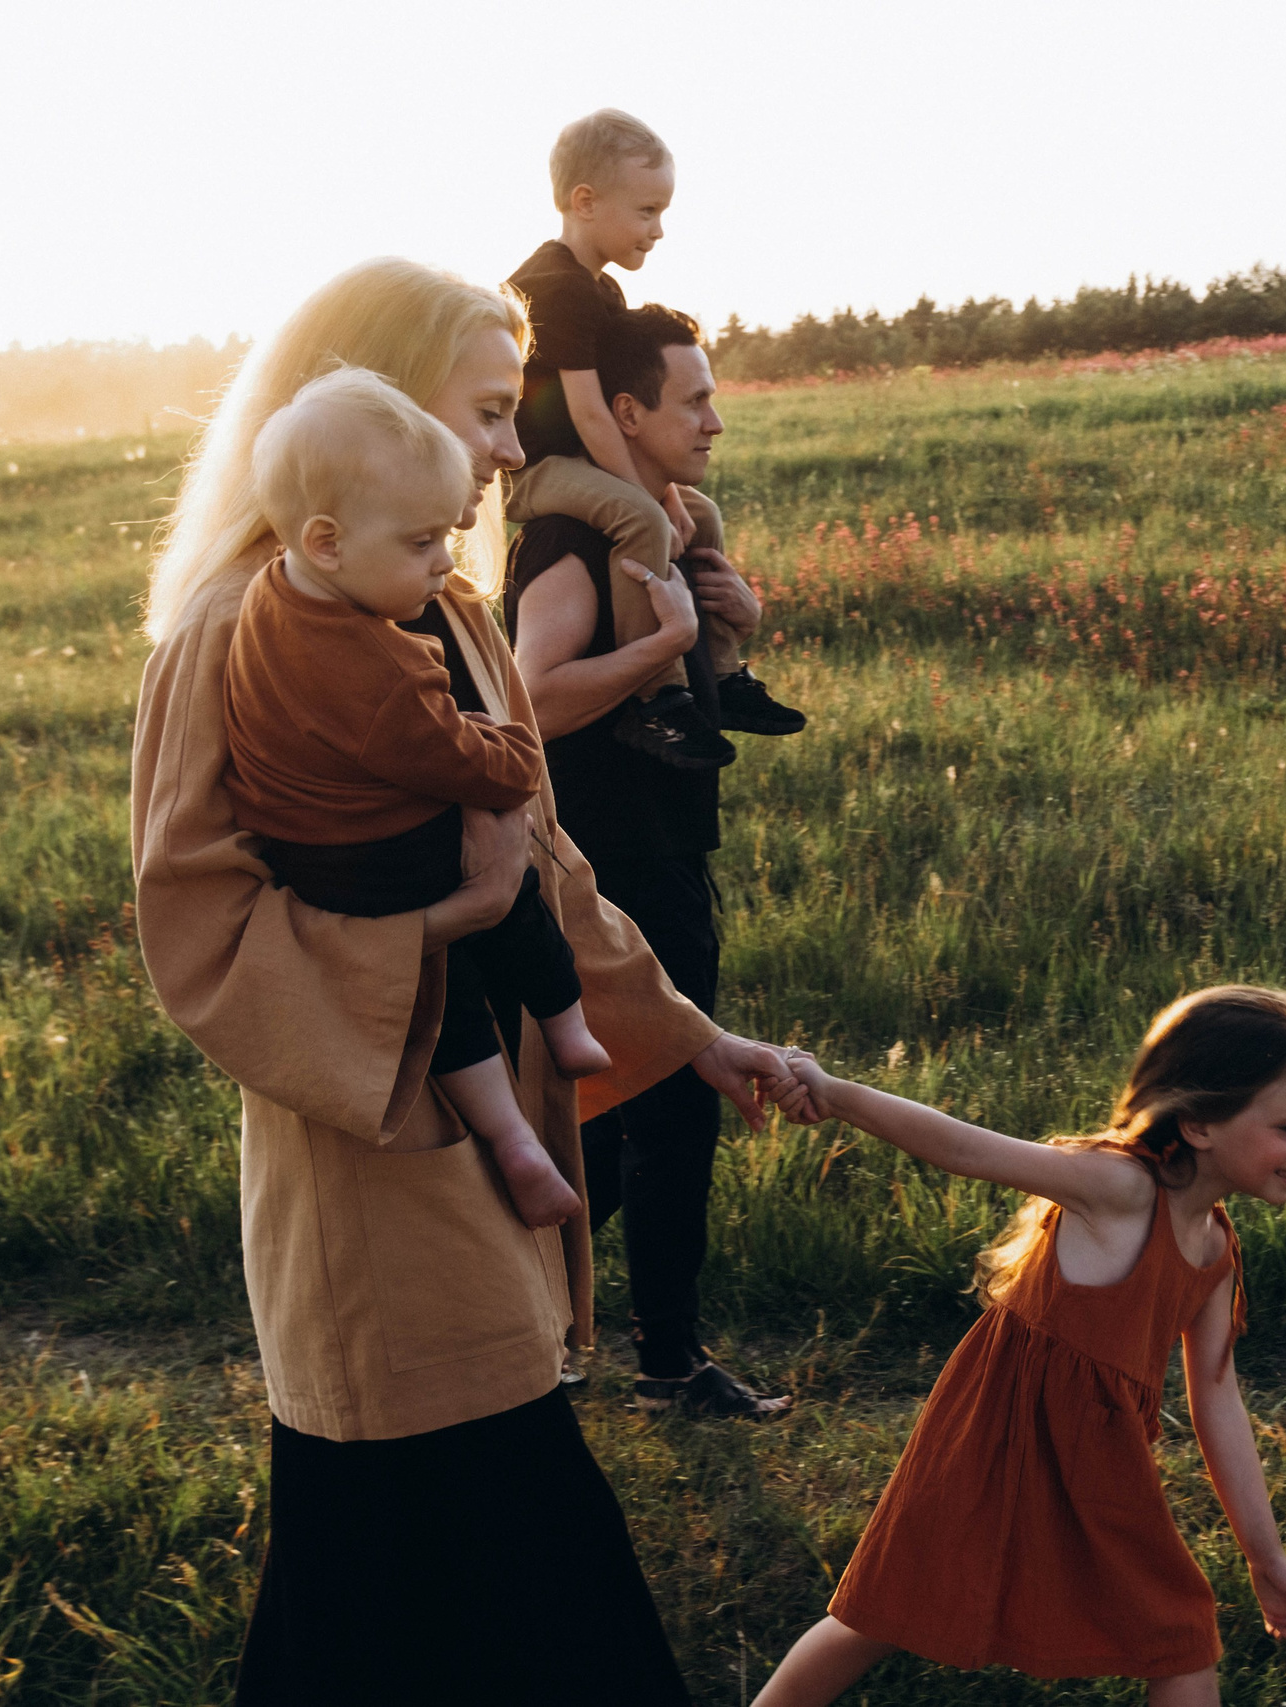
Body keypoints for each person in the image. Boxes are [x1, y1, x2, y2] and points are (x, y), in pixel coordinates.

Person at [134, 256, 789, 1704]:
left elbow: (547, 868)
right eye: (490, 412)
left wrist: (689, 1036)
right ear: (355, 409)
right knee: (525, 1567)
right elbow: (198, 932)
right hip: (365, 1172)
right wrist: (443, 917)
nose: (512, 450)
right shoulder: (229, 635)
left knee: (367, 1591)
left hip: (469, 1153)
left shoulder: (452, 611)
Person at [752, 987, 1286, 1707]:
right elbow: (963, 1146)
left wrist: (1265, 1553)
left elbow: (1217, 1398)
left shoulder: (1214, 1249)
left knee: (1180, 1635)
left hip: (1097, 1461)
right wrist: (835, 1094)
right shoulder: (1120, 1187)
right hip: (992, 1439)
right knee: (880, 1611)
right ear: (1200, 1123)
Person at [225, 369, 604, 1229]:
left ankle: (509, 1138)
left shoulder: (265, 597)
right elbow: (472, 762)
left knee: (439, 1003)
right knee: (511, 907)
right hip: (387, 852)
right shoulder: (383, 665)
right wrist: (516, 747)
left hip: (314, 858)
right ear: (328, 541)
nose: (444, 558)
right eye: (422, 542)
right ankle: (568, 1020)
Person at [510, 302, 789, 1419]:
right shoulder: (575, 541)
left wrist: (733, 628)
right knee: (666, 1110)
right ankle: (663, 1361)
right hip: (611, 858)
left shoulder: (662, 527)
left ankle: (525, 1314)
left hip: (667, 840)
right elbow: (532, 694)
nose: (716, 419)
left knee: (626, 1119)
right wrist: (666, 645)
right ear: (625, 411)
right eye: (696, 398)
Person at [507, 106, 805, 769]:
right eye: (646, 211)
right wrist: (656, 494)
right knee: (645, 516)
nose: (658, 230)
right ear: (585, 202)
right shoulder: (553, 289)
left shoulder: (599, 288)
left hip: (579, 457)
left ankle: (722, 674)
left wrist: (676, 496)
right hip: (540, 465)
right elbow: (591, 414)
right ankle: (657, 697)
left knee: (703, 512)